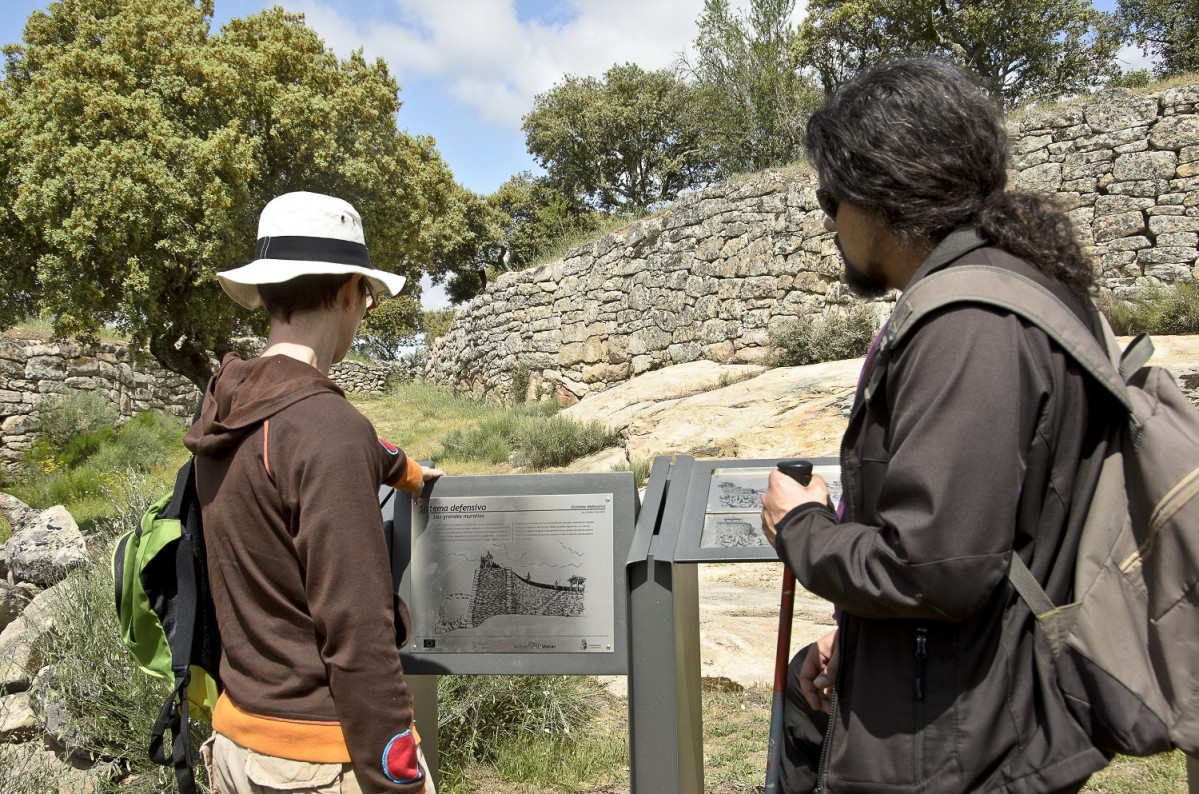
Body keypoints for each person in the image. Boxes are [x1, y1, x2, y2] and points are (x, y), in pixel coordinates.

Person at [759, 59, 1114, 792]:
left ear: (883, 190)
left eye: (831, 196)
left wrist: (800, 527)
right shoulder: (1006, 293)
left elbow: (933, 568)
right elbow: (983, 545)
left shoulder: (969, 324)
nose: (827, 220)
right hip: (970, 717)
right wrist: (858, 643)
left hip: (957, 754)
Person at [184, 191, 443, 793]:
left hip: (238, 742)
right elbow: (358, 635)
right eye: (368, 298)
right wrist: (396, 779)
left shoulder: (230, 404)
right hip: (317, 762)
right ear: (351, 288)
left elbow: (313, 454)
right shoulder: (326, 431)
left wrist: (400, 468)